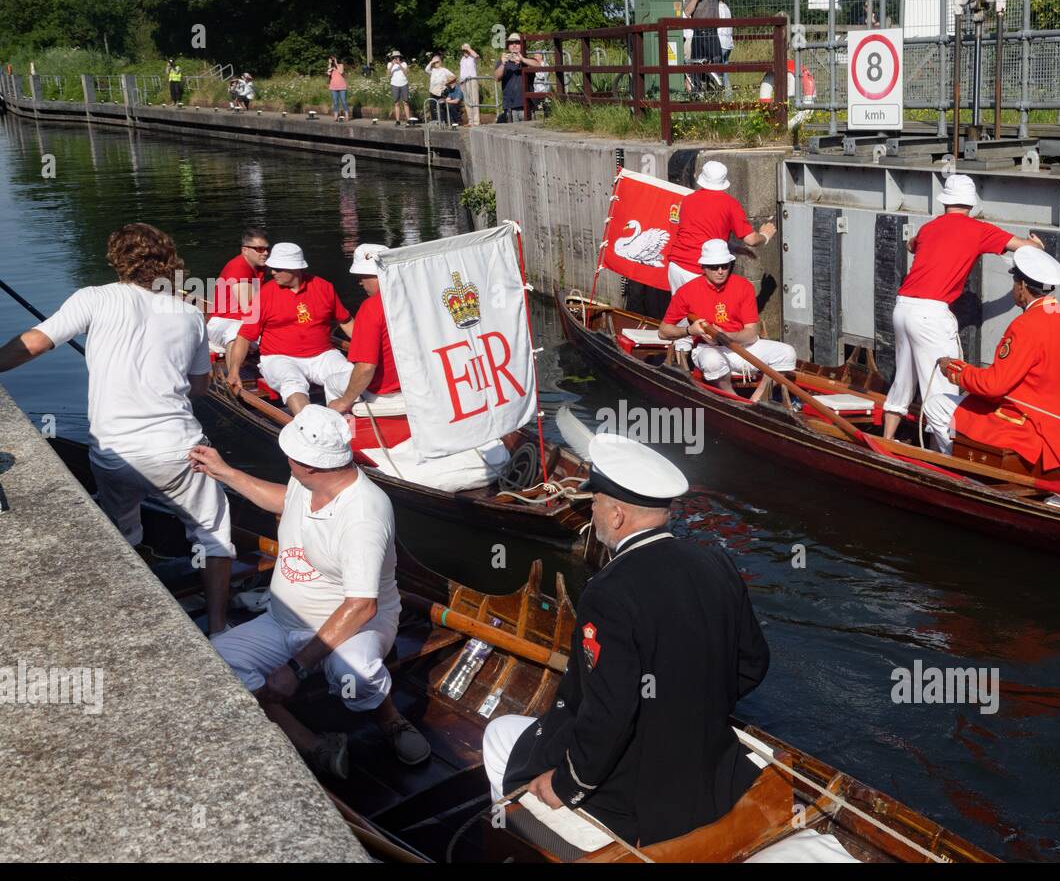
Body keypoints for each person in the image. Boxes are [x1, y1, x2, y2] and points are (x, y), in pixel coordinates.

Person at [480, 433, 769, 846]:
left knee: (498, 736)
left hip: (642, 802)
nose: (591, 511)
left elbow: (608, 716)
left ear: (616, 515)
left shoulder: (608, 592)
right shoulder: (715, 561)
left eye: (594, 502)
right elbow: (753, 662)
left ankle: (520, 845)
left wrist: (567, 785)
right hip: (713, 775)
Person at [0, 223, 233, 635]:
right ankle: (218, 626)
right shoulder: (190, 313)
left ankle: (135, 608)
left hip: (115, 454)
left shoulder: (94, 298)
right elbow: (199, 388)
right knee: (214, 534)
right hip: (179, 450)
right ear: (169, 263)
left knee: (121, 526)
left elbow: (33, 343)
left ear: (117, 260)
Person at [194, 406, 432, 779]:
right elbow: (283, 500)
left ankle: (390, 718)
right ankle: (313, 744)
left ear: (308, 465)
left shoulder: (363, 515)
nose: (286, 460)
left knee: (357, 677)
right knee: (215, 665)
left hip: (353, 627)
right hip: (283, 619)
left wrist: (296, 667)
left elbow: (361, 606)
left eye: (290, 457)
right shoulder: (307, 484)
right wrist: (228, 474)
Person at [881, 174, 1044, 444]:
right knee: (942, 385)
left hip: (903, 307)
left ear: (945, 202)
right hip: (932, 314)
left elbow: (911, 245)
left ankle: (886, 439)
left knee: (904, 377)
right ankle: (944, 455)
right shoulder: (979, 230)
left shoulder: (929, 228)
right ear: (971, 205)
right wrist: (1037, 244)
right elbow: (1023, 248)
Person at [930, 246, 1060, 470]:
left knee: (935, 405)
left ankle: (960, 468)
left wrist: (954, 368)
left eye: (1014, 283)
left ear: (1022, 287)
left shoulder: (1025, 325)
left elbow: (994, 385)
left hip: (1026, 426)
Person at [224, 242, 354, 416]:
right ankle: (310, 427)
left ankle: (356, 420)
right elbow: (245, 335)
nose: (272, 272)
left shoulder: (324, 287)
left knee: (351, 374)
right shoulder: (264, 294)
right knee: (291, 383)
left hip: (323, 355)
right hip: (280, 358)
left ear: (294, 269)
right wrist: (234, 370)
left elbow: (346, 321)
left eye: (278, 268)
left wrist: (367, 350)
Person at [658, 239, 796, 398]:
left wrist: (726, 336)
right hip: (709, 348)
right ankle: (734, 400)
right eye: (714, 267)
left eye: (724, 266)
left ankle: (756, 401)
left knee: (787, 353)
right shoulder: (686, 291)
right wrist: (690, 330)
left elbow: (751, 333)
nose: (720, 271)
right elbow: (663, 332)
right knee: (712, 362)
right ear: (703, 267)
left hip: (741, 345)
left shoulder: (744, 286)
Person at [666, 160, 776, 295]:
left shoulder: (688, 200)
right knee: (705, 314)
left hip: (676, 266)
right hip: (700, 269)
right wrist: (765, 235)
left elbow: (699, 234)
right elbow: (751, 239)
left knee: (681, 313)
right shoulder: (730, 204)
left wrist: (733, 248)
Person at [324, 244, 406, 418]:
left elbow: (366, 368)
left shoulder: (371, 307)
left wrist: (343, 402)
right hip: (417, 386)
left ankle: (346, 434)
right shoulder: (414, 296)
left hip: (386, 393)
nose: (360, 282)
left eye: (362, 276)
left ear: (376, 275)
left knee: (331, 382)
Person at [207, 226, 270, 352]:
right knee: (239, 335)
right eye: (259, 249)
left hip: (238, 321)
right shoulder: (239, 267)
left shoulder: (258, 266)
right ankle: (233, 371)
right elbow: (249, 310)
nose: (266, 253)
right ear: (245, 250)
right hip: (224, 323)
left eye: (267, 249)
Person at [495, 34, 537, 122]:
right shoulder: (503, 61)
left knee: (530, 134)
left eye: (517, 43)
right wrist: (503, 63)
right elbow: (497, 77)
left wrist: (523, 60)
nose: (514, 45)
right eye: (511, 43)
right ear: (508, 46)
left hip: (527, 106)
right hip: (510, 107)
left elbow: (539, 66)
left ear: (522, 45)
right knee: (511, 134)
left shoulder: (527, 60)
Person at [423, 52, 455, 124]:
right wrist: (432, 61)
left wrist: (447, 83)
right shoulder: (432, 70)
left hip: (441, 91)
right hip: (433, 91)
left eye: (437, 61)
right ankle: (435, 121)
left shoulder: (444, 70)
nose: (436, 63)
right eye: (435, 62)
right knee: (432, 106)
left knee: (442, 107)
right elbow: (426, 69)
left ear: (440, 62)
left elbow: (453, 76)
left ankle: (445, 121)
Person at [459, 43, 481, 126]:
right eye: (463, 50)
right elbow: (462, 71)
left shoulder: (472, 57)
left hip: (472, 80)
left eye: (466, 50)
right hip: (464, 81)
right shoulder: (462, 59)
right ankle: (470, 121)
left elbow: (477, 56)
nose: (465, 51)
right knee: (467, 101)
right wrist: (461, 82)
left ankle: (476, 121)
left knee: (474, 100)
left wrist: (469, 49)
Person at [387, 50, 410, 126]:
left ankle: (408, 119)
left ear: (400, 57)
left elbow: (406, 73)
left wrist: (399, 64)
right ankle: (397, 120)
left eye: (398, 57)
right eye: (395, 57)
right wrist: (392, 65)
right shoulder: (390, 64)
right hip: (394, 84)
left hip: (404, 84)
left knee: (406, 102)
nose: (396, 58)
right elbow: (388, 74)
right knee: (396, 103)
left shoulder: (404, 63)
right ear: (392, 58)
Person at [718, 0, 733, 95]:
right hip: (728, 43)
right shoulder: (726, 7)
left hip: (720, 42)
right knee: (725, 73)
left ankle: (720, 95)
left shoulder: (717, 8)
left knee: (716, 73)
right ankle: (728, 95)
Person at [327, 57, 348, 122]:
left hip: (342, 86)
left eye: (332, 60)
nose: (331, 61)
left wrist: (336, 63)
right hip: (333, 86)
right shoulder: (330, 67)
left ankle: (346, 116)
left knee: (343, 101)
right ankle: (335, 116)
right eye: (330, 60)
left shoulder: (340, 65)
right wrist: (330, 66)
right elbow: (328, 74)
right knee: (335, 102)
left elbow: (341, 72)